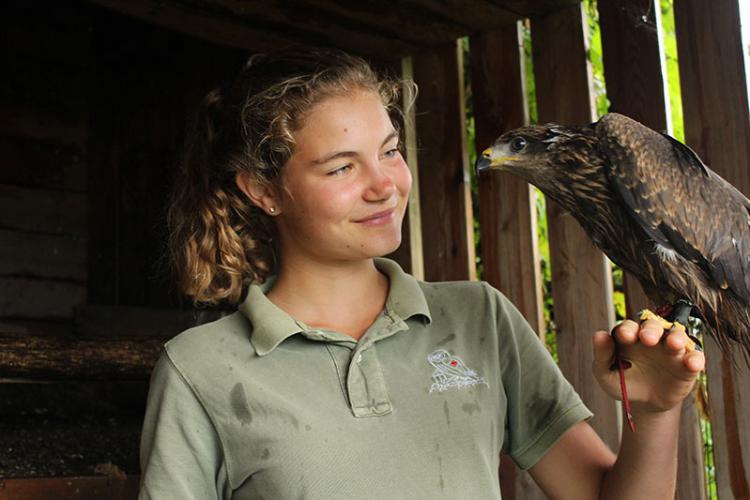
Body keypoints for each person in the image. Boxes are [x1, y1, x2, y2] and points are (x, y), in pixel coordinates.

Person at [139, 48, 705, 499]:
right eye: (341, 166)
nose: (384, 185)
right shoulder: (199, 370)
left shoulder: (479, 317)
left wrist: (655, 413)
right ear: (264, 191)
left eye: (389, 151)